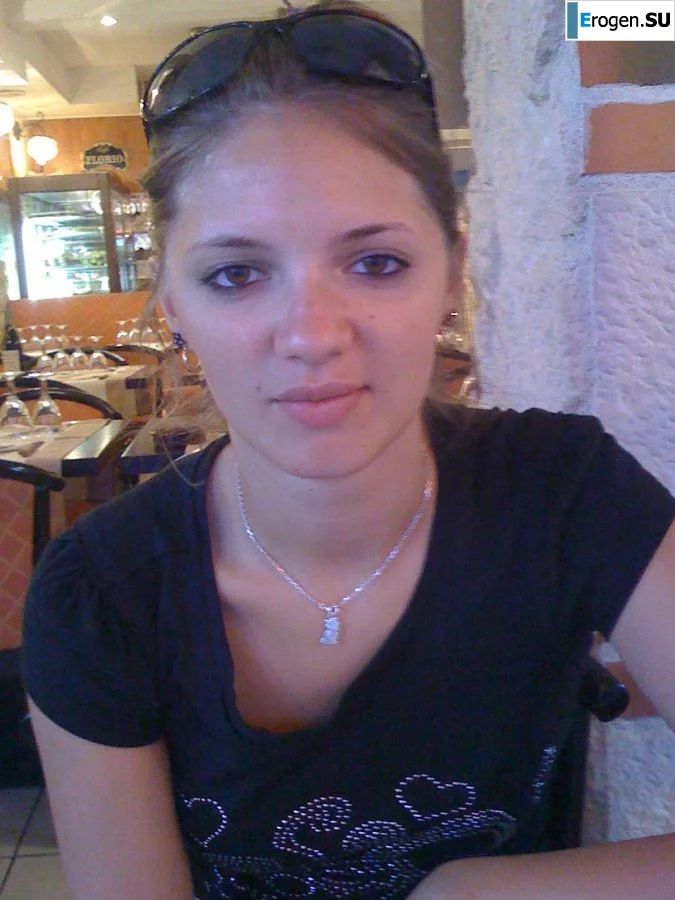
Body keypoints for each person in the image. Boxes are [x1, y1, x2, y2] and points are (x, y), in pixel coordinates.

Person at [21, 3, 675, 898]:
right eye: (236, 274)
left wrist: (471, 891)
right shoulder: (100, 595)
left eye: (375, 264)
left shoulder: (565, 490)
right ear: (172, 306)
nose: (311, 336)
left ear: (450, 274)